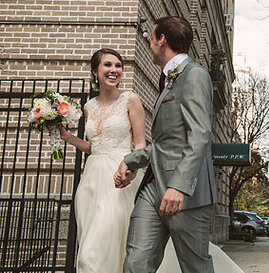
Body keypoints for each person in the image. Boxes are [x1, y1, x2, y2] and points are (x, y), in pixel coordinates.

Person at [114, 16, 241, 273]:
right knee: (136, 262)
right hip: (152, 187)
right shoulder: (167, 80)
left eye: (151, 38)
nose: (149, 44)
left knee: (195, 267)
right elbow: (167, 143)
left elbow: (200, 135)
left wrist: (180, 187)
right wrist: (131, 160)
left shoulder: (195, 75)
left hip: (186, 195)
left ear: (161, 40)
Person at [59, 48, 146, 273]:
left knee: (101, 248)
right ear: (95, 71)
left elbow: (140, 145)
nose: (114, 70)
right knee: (90, 241)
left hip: (119, 178)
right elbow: (93, 147)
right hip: (91, 179)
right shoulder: (89, 106)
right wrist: (69, 138)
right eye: (107, 65)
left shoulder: (130, 99)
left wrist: (133, 170)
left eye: (118, 66)